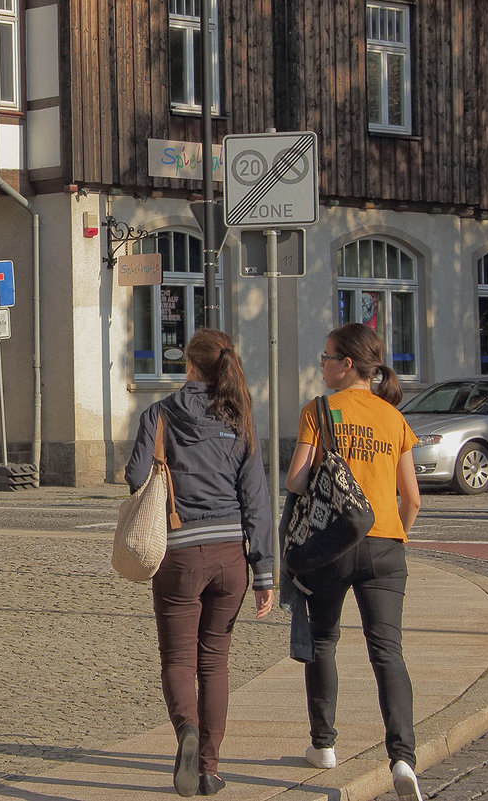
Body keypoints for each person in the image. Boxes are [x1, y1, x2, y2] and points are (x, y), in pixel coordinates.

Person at [125, 328, 274, 797]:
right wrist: (265, 573)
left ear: (188, 365)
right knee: (215, 663)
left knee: (177, 657)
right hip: (232, 558)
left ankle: (185, 731)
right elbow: (258, 501)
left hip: (179, 552)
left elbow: (134, 477)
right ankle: (208, 766)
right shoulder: (240, 418)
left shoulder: (159, 414)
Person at [285, 323, 423, 801]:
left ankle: (323, 746)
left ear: (347, 365)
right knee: (388, 652)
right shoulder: (393, 418)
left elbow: (297, 482)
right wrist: (396, 535)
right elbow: (414, 498)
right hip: (386, 544)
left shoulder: (318, 411)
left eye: (326, 358)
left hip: (331, 545)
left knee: (323, 641)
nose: (321, 365)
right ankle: (403, 757)